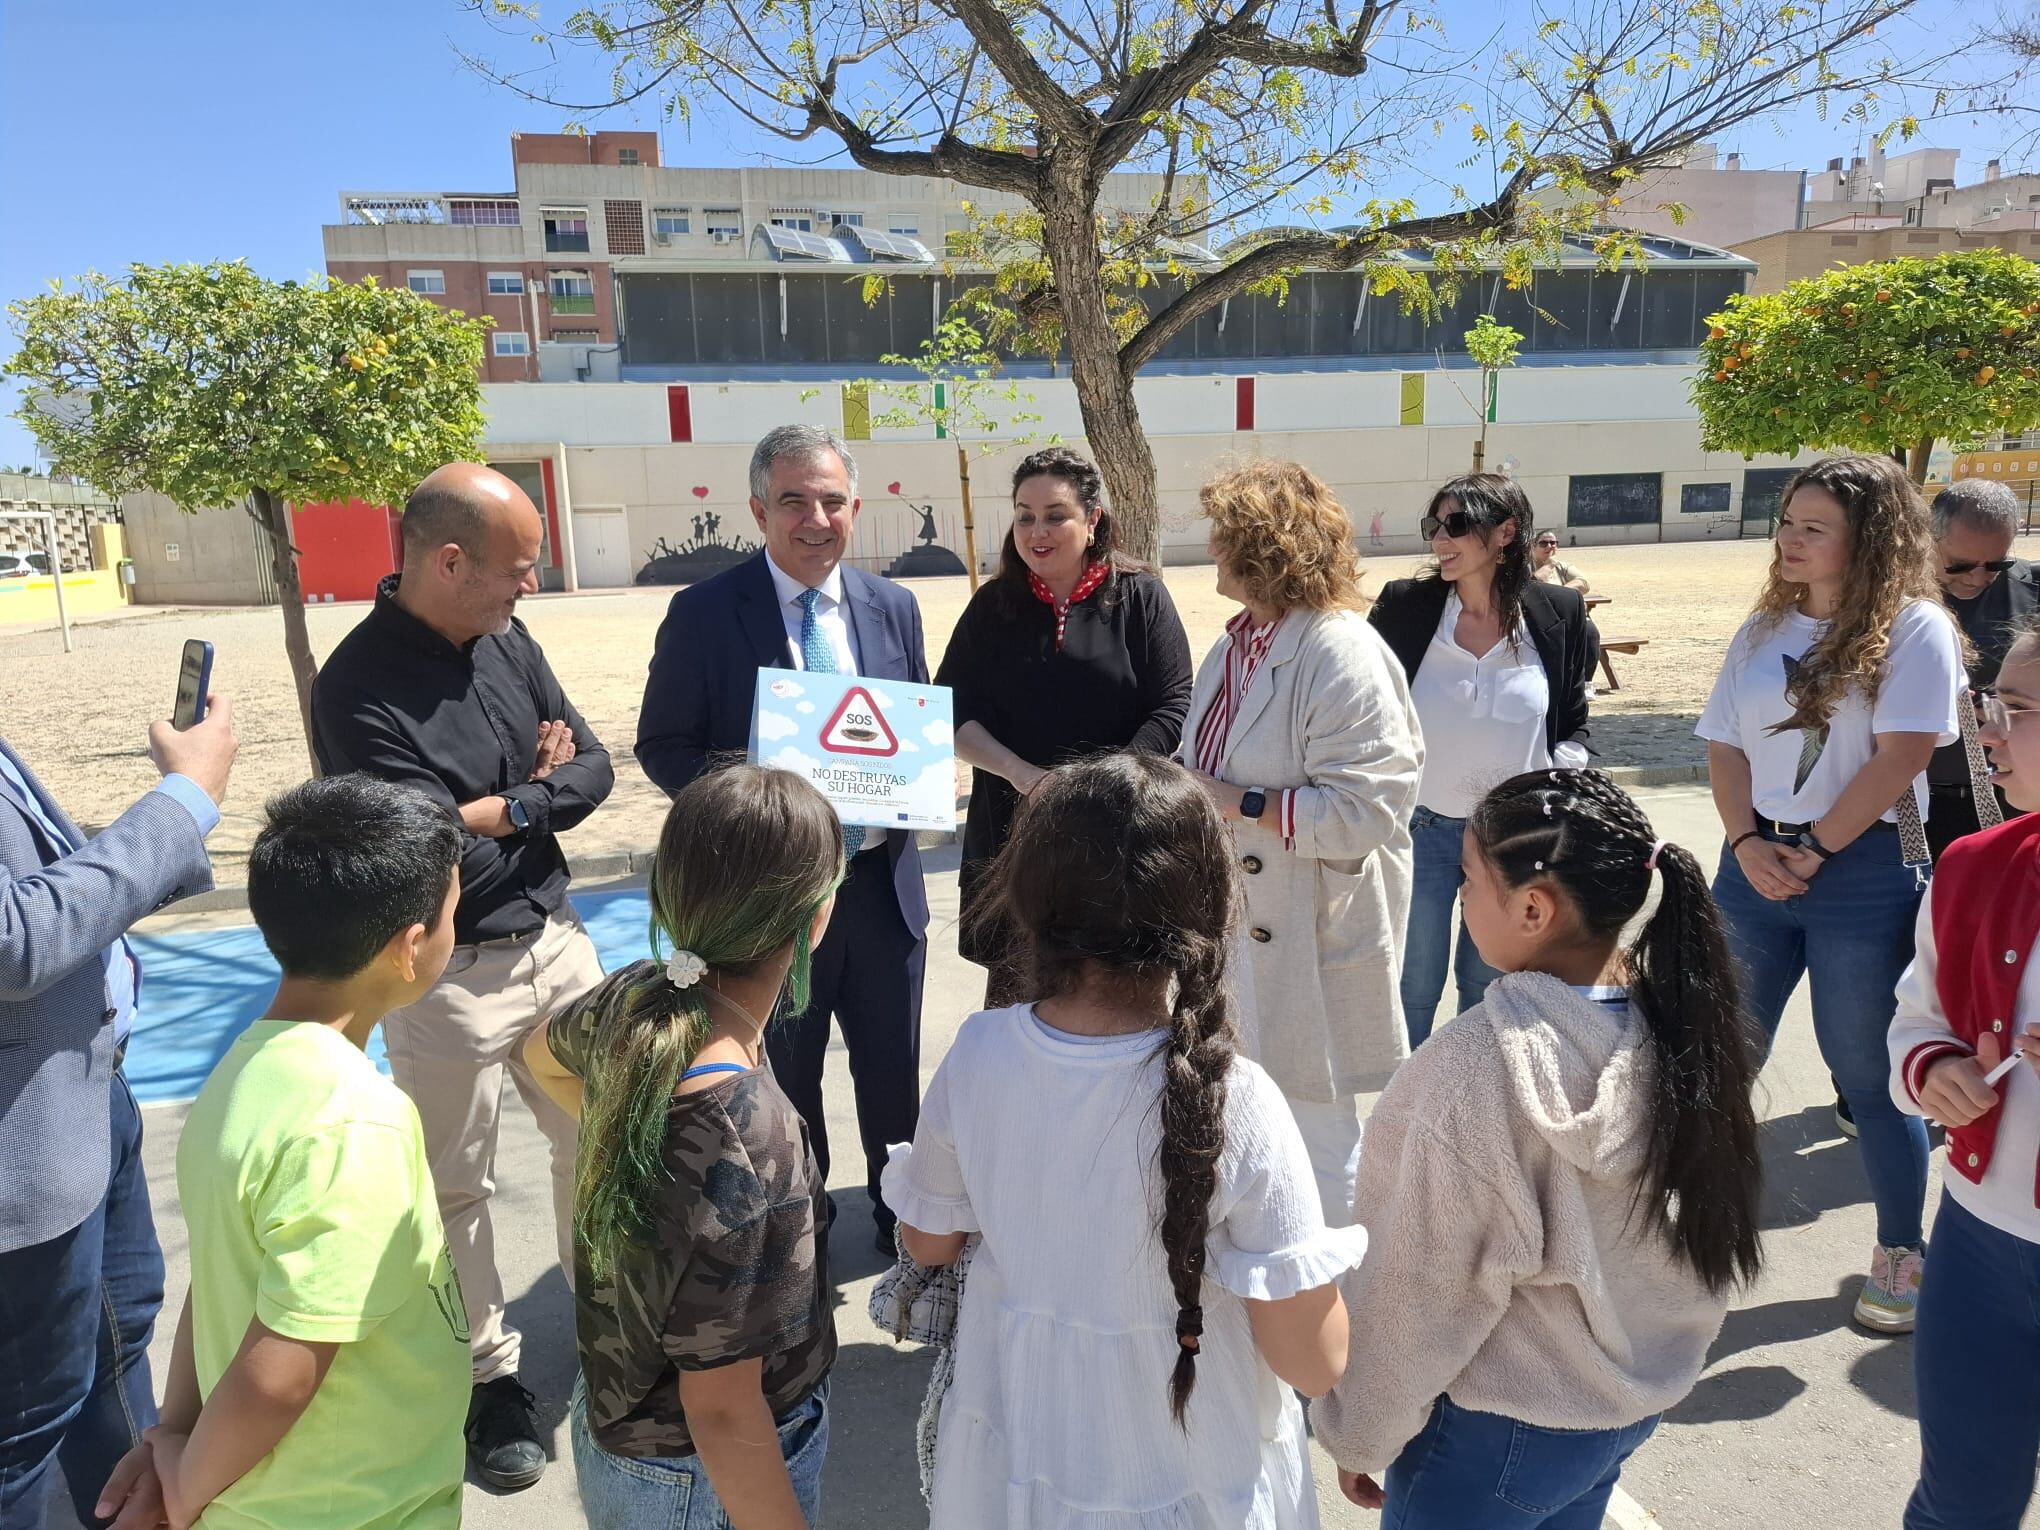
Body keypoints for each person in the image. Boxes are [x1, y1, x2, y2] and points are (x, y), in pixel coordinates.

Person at [883, 754, 1364, 1528]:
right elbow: (1314, 1359)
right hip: (1197, 1476)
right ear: (1209, 904)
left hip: (1019, 1455)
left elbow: (928, 1240)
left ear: (1033, 898)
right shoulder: (1239, 1101)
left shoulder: (980, 1053)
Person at [1314, 767, 1763, 1529]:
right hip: (1620, 1410)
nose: (1459, 898)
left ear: (1532, 907)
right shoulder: (1679, 1032)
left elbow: (1416, 1287)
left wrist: (1360, 1429)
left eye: (1467, 880)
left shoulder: (1473, 1069)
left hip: (1490, 1433)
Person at [311, 462, 614, 1489]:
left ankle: (615, 1331)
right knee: (453, 1188)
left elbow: (595, 771)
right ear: (450, 562)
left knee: (605, 1142)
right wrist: (528, 795)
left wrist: (504, 807)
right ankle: (489, 1380)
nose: (528, 587)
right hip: (443, 975)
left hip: (559, 944)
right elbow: (417, 855)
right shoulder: (354, 690)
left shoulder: (507, 639)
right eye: (517, 571)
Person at [98, 776, 469, 1530]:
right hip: (352, 1507)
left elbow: (225, 1277)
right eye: (454, 914)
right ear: (411, 947)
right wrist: (181, 1480)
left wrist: (175, 1431)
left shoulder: (245, 1073)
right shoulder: (356, 1124)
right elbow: (279, 1379)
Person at [636, 423, 930, 1256]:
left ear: (855, 508)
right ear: (759, 509)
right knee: (784, 1081)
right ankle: (800, 1226)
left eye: (832, 501)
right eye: (794, 501)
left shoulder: (893, 607)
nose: (815, 518)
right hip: (773, 900)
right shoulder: (701, 613)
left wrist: (920, 768)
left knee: (891, 1077)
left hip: (879, 888)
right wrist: (753, 807)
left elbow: (906, 727)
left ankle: (902, 1221)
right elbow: (664, 746)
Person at [520, 764, 839, 1529]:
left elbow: (538, 1054)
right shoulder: (751, 1135)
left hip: (621, 1423)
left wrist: (616, 1124)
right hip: (703, 1479)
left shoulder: (632, 996)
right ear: (814, 919)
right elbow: (726, 1411)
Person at [1698, 452, 1963, 1335]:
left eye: (1816, 529)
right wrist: (1746, 842)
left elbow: (1904, 755)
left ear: (1869, 540)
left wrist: (1811, 848)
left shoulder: (1914, 628)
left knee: (1868, 1072)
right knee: (1718, 1059)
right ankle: (1688, 1238)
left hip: (1861, 873)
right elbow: (1725, 747)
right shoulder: (1761, 629)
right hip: (1752, 867)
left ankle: (1900, 1249)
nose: (1790, 541)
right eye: (1788, 523)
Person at [0, 703, 236, 1528]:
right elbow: (13, 938)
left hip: (84, 1099)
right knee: (22, 1434)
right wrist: (183, 800)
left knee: (117, 1345)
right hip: (20, 1161)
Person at [1177, 460, 1422, 1227]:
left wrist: (1240, 802)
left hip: (1307, 937)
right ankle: (1268, 1301)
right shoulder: (1233, 647)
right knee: (1245, 1120)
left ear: (1262, 546)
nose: (1211, 548)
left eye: (1225, 534)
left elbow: (1368, 809)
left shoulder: (1340, 649)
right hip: (1236, 932)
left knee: (1316, 1136)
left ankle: (1340, 1314)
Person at [938, 445, 1193, 1004]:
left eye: (1056, 515)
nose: (1037, 530)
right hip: (1012, 838)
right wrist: (1024, 775)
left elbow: (1174, 705)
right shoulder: (992, 607)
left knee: (1115, 1011)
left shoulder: (1141, 597)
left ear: (1093, 519)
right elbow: (950, 711)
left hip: (1120, 838)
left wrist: (1099, 787)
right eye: (1025, 516)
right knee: (1014, 1018)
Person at [1889, 613, 2040, 1529]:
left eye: (2014, 710)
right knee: (1959, 1504)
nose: (1986, 731)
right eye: (1993, 705)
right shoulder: (1974, 864)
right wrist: (1934, 1066)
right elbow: (1921, 1016)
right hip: (1981, 1242)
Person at [1370, 475, 1596, 1047]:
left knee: (1490, 984)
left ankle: (1480, 1110)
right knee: (1411, 985)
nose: (1439, 540)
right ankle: (1408, 1119)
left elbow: (1573, 718)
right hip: (1419, 829)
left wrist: (1559, 779)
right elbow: (1363, 706)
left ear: (1505, 533)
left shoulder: (1560, 612)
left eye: (1456, 526)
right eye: (1433, 527)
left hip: (1514, 840)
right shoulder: (1405, 607)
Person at [1925, 477, 2034, 860]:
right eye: (1962, 565)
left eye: (1997, 564)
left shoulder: (2035, 591)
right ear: (1928, 538)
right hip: (1909, 805)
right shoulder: (1883, 598)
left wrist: (1993, 706)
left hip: (2014, 807)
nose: (1978, 577)